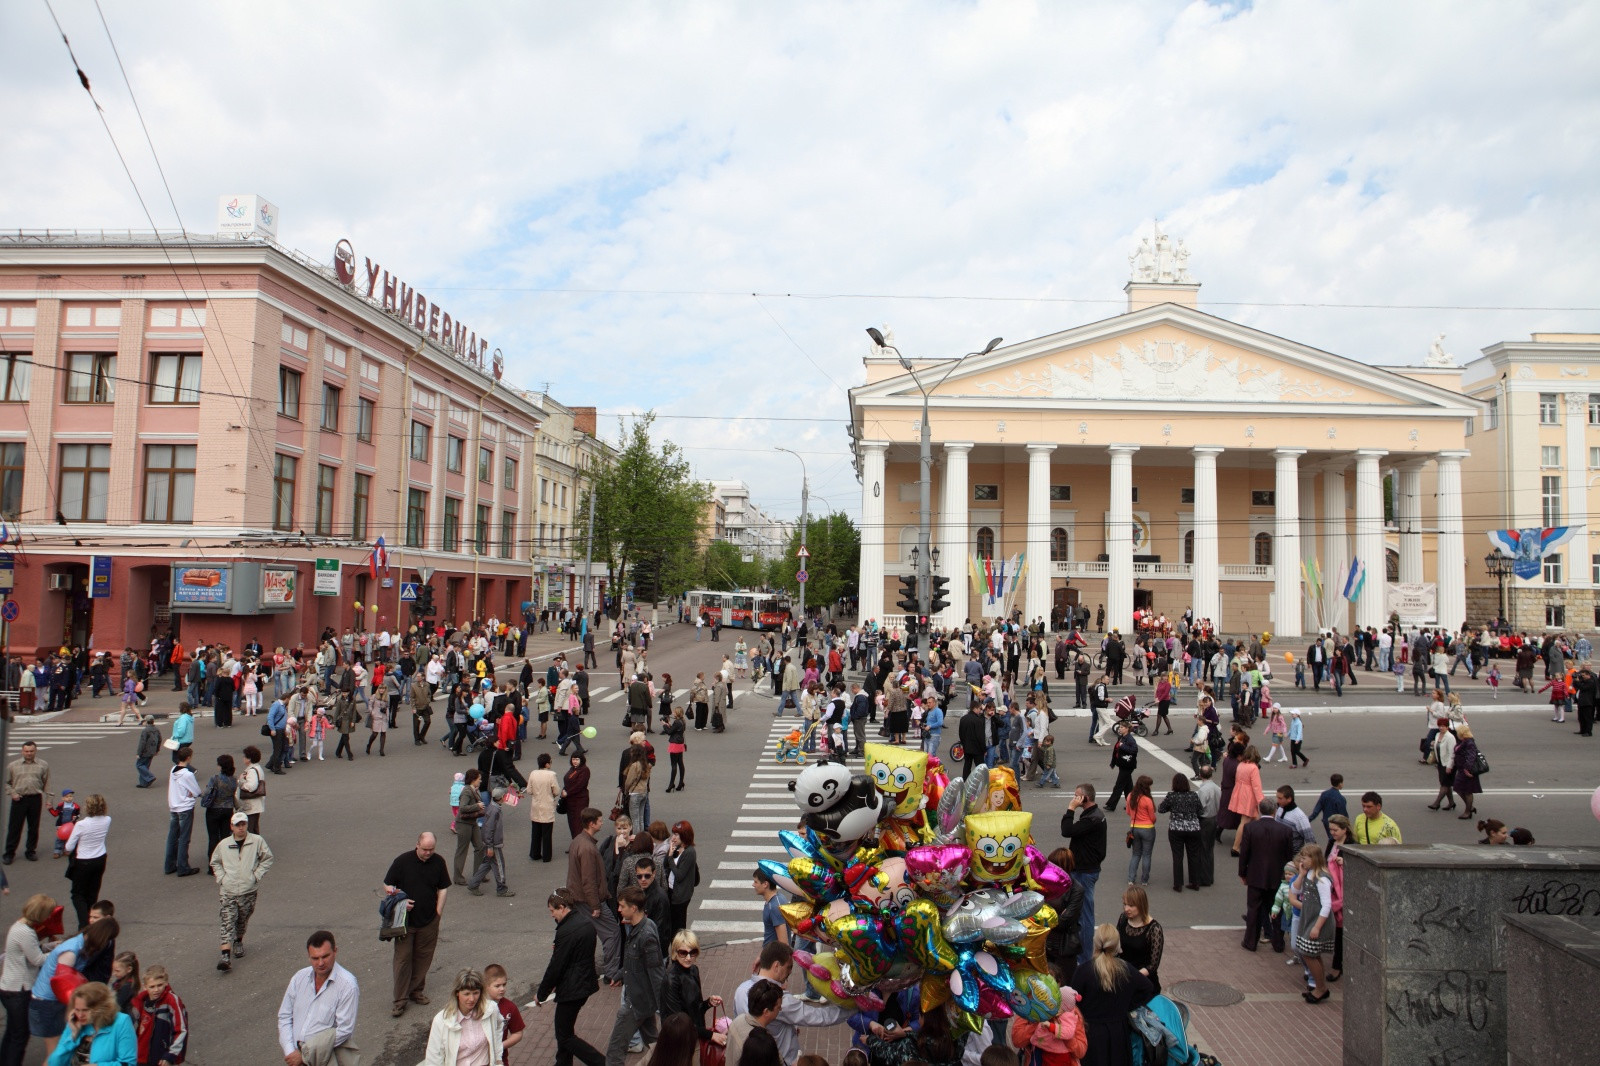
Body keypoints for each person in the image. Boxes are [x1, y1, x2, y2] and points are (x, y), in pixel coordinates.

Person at [731, 943, 850, 1066]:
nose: (790, 972)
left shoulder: (740, 990)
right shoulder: (781, 1000)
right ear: (776, 966)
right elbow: (820, 1016)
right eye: (789, 967)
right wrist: (853, 1008)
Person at [385, 833, 452, 1018]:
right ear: (417, 845)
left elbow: (443, 888)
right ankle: (399, 1000)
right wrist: (399, 900)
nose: (428, 853)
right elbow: (388, 885)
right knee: (403, 959)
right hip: (405, 922)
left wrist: (438, 912)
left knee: (423, 957)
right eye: (424, 849)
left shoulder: (438, 862)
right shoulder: (402, 861)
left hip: (429, 920)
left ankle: (416, 991)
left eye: (431, 849)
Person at [31, 918, 117, 1061]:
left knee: (62, 1051)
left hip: (52, 1002)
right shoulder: (71, 951)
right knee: (55, 1054)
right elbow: (62, 984)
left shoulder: (81, 944)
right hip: (47, 1004)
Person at [537, 888, 606, 1066]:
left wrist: (541, 994)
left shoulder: (566, 931)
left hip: (572, 988)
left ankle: (600, 1062)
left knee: (565, 1035)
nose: (552, 915)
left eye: (552, 911)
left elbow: (556, 966)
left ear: (562, 907)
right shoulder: (585, 923)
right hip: (584, 984)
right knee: (564, 1029)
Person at [1070, 924, 1154, 1066]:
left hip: (1091, 1033)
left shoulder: (1084, 971)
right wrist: (1127, 1005)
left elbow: (1073, 1001)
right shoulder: (1126, 969)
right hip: (1118, 1033)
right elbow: (1147, 988)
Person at [277, 930, 359, 1066]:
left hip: (326, 1058)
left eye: (325, 956)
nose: (320, 963)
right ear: (309, 956)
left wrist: (306, 1054)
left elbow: (344, 1030)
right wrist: (290, 1051)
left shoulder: (347, 985)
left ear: (335, 951)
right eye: (315, 958)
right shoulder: (299, 978)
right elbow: (285, 1016)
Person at [604, 887, 665, 1066]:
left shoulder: (645, 936)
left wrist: (665, 1010)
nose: (619, 910)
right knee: (656, 1045)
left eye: (622, 906)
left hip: (635, 1003)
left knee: (615, 1053)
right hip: (643, 1001)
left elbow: (657, 975)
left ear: (634, 908)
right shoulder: (641, 927)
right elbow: (635, 962)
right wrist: (620, 974)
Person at [209, 812, 273, 971]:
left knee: (242, 918)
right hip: (228, 890)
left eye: (243, 824)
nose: (241, 827)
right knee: (227, 919)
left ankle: (238, 940)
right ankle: (225, 955)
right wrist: (222, 878)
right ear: (231, 827)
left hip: (248, 890)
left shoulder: (257, 841)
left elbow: (267, 858)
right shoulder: (224, 844)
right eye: (237, 825)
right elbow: (215, 862)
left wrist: (256, 876)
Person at [1, 893, 57, 1066]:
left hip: (9, 988)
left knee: (12, 1032)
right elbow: (38, 959)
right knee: (20, 1035)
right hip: (19, 990)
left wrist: (49, 947)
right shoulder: (26, 932)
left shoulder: (20, 927)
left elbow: (32, 951)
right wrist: (57, 951)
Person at [567, 809, 621, 985]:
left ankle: (584, 972)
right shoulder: (588, 848)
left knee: (586, 936)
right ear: (591, 824)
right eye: (599, 820)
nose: (602, 823)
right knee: (612, 932)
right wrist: (596, 906)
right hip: (589, 900)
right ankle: (611, 973)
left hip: (579, 899)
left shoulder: (578, 841)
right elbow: (588, 881)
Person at [1237, 798, 1295, 953]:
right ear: (1274, 810)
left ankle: (1251, 942)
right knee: (1276, 909)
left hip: (1255, 876)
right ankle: (1278, 943)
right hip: (1277, 877)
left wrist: (1243, 873)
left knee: (1254, 909)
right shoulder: (1285, 830)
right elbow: (1289, 855)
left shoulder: (1250, 828)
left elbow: (1245, 854)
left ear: (1259, 810)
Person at [1059, 783, 1106, 965]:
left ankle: (1084, 958)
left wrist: (1070, 809)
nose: (1074, 798)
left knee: (1085, 916)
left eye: (1077, 796)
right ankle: (1081, 953)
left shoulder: (1091, 819)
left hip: (1085, 872)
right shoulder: (1094, 815)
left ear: (1085, 798)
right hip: (1086, 869)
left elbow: (1067, 830)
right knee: (1081, 913)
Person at [420, 969, 503, 1066]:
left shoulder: (490, 1010)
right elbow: (434, 1058)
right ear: (457, 993)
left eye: (476, 993)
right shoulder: (441, 1020)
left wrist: (498, 1060)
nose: (472, 999)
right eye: (466, 994)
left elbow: (498, 1029)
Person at [661, 929, 726, 1051]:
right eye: (683, 953)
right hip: (678, 1041)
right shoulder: (671, 979)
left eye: (693, 952)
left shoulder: (694, 970)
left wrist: (708, 1003)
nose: (688, 957)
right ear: (675, 952)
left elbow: (696, 1008)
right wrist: (710, 1035)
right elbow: (677, 1021)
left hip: (694, 1035)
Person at [49, 982, 137, 1066]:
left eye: (85, 1010)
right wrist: (72, 1037)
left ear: (101, 1008)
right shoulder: (75, 1023)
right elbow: (54, 1063)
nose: (80, 1015)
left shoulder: (121, 1022)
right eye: (77, 1010)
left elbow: (128, 1063)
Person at [1292, 844, 1335, 1004]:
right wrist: (1301, 875)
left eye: (1305, 858)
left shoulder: (1322, 878)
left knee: (1308, 952)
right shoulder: (1308, 873)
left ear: (1314, 859)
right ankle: (1320, 986)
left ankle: (1320, 987)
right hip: (1308, 917)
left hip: (1317, 919)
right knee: (1311, 953)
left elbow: (1327, 905)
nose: (1302, 860)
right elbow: (1296, 891)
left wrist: (1317, 927)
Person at [62, 794, 111, 931]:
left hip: (83, 861)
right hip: (100, 858)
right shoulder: (107, 820)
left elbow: (69, 847)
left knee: (77, 894)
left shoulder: (81, 824)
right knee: (92, 891)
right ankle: (93, 918)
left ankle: (84, 924)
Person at [128, 965, 187, 1066]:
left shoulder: (172, 1000)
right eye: (152, 986)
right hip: (139, 1057)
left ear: (166, 983)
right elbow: (129, 1029)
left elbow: (181, 1030)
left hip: (162, 1059)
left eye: (159, 985)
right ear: (145, 986)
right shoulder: (139, 1002)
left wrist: (170, 1055)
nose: (156, 990)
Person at [4, 741, 49, 865]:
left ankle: (30, 851)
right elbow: (6, 782)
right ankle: (9, 853)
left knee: (33, 827)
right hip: (19, 799)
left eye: (31, 751)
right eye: (26, 751)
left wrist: (49, 800)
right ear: (22, 751)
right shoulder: (13, 765)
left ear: (35, 751)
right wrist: (12, 793)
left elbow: (46, 783)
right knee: (14, 827)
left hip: (35, 798)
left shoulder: (43, 765)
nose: (29, 753)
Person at [1114, 885, 1164, 996]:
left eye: (1131, 905)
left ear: (1141, 905)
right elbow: (1117, 948)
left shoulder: (1154, 929)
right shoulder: (1123, 919)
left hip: (1143, 983)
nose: (1126, 909)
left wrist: (1132, 977)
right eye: (1125, 904)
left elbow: (1153, 965)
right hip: (1123, 978)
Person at [1157, 774, 1203, 893]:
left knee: (1177, 856)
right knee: (1193, 855)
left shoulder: (1172, 796)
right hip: (1193, 828)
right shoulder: (1193, 795)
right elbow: (1201, 810)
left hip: (1176, 829)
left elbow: (1161, 809)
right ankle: (1195, 882)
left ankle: (1178, 884)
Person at [466, 787, 515, 898]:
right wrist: (490, 846)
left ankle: (473, 884)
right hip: (493, 844)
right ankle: (501, 888)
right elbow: (489, 829)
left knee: (487, 864)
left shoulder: (492, 807)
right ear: (502, 797)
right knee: (499, 865)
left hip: (489, 843)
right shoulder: (495, 810)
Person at [724, 980, 784, 1066]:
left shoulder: (738, 1020)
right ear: (766, 1012)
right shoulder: (759, 1044)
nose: (780, 1009)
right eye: (778, 1007)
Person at [164, 746, 203, 877]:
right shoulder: (187, 774)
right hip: (185, 807)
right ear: (188, 758)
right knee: (184, 838)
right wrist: (193, 793)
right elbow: (197, 791)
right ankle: (183, 866)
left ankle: (169, 864)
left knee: (172, 837)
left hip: (174, 806)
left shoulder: (173, 770)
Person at [1226, 746, 1263, 856]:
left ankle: (1258, 843)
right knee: (1245, 821)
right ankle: (1236, 847)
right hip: (1249, 795)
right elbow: (1256, 786)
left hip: (1240, 792)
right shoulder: (1253, 767)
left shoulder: (1241, 765)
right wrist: (1261, 800)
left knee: (1256, 819)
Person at [665, 821, 699, 939]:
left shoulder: (689, 852)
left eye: (676, 835)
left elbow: (679, 875)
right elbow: (666, 866)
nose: (673, 837)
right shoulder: (677, 848)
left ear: (684, 836)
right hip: (671, 890)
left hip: (680, 896)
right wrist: (670, 852)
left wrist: (670, 858)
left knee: (678, 928)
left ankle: (679, 952)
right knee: (670, 926)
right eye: (673, 833)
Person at [525, 754, 560, 863]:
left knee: (535, 832)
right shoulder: (551, 775)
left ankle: (534, 853)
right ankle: (546, 856)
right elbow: (556, 791)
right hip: (547, 806)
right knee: (547, 833)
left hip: (536, 805)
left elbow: (529, 790)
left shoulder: (533, 773)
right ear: (547, 764)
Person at [1123, 775, 1156, 886]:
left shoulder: (1130, 796)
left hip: (1134, 828)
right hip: (1147, 829)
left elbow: (1128, 812)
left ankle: (1131, 879)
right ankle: (1144, 880)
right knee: (1146, 855)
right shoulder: (1147, 800)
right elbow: (1152, 817)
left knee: (1136, 854)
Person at [1308, 774, 1347, 846]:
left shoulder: (1324, 794)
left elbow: (1316, 810)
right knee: (1336, 840)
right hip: (1336, 825)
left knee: (1331, 838)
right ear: (1340, 784)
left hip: (1326, 823)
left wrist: (1307, 820)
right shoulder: (1341, 798)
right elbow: (1343, 815)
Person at [236, 747, 267, 835]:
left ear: (249, 759)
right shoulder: (257, 768)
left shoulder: (252, 771)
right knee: (254, 827)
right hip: (256, 804)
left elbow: (251, 787)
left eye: (244, 756)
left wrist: (241, 781)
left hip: (251, 804)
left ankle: (254, 846)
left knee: (250, 828)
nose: (243, 758)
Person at [562, 755, 592, 840]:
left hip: (580, 800)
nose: (575, 761)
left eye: (577, 759)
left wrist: (567, 792)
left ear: (581, 760)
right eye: (573, 759)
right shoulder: (572, 769)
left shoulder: (585, 770)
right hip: (570, 800)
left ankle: (580, 843)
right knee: (571, 823)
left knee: (578, 823)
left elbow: (580, 785)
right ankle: (575, 842)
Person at [665, 707, 688, 792]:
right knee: (680, 763)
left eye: (674, 712)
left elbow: (669, 732)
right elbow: (675, 729)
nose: (673, 713)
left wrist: (664, 724)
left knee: (673, 765)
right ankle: (681, 782)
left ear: (677, 713)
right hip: (680, 743)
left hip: (674, 743)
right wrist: (670, 725)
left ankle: (671, 784)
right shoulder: (682, 721)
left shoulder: (677, 721)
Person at [135, 717, 162, 789]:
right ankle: (143, 783)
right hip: (152, 751)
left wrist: (138, 753)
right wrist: (157, 750)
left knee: (139, 765)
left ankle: (150, 777)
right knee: (146, 766)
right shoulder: (156, 729)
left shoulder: (145, 730)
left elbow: (142, 743)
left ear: (146, 722)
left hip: (145, 752)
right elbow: (159, 740)